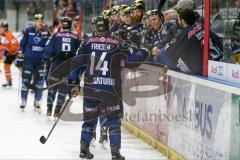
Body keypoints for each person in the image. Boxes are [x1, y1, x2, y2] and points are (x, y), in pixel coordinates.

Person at [69, 16, 149, 160]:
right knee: (113, 121)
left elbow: (76, 63)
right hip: (111, 89)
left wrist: (74, 82)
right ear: (108, 26)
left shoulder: (86, 42)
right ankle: (115, 152)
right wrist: (144, 51)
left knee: (89, 120)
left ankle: (83, 149)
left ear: (95, 28)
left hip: (91, 88)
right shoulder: (118, 42)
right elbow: (131, 62)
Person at [44, 16, 81, 118]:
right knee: (63, 89)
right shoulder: (76, 37)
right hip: (68, 66)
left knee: (52, 87)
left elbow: (48, 51)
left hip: (56, 65)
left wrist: (47, 58)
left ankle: (49, 108)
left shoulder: (55, 36)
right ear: (70, 24)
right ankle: (57, 110)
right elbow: (80, 52)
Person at [153, 9, 204, 74]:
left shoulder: (184, 33)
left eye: (179, 19)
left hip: (193, 67)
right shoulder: (202, 27)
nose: (178, 22)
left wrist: (165, 48)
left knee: (160, 55)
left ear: (182, 21)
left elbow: (173, 52)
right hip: (204, 63)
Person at [18, 13, 50, 112]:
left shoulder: (46, 32)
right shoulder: (28, 31)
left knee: (40, 82)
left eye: (41, 21)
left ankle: (37, 101)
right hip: (28, 59)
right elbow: (22, 44)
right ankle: (23, 100)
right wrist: (20, 54)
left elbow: (48, 47)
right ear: (35, 21)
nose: (39, 22)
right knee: (25, 80)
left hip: (40, 60)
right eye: (38, 20)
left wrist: (47, 56)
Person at [0, 22, 20, 87]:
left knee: (19, 66)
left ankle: (29, 80)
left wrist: (10, 49)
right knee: (6, 66)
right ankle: (9, 81)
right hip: (9, 53)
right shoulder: (1, 34)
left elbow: (16, 45)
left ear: (6, 28)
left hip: (14, 53)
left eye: (2, 27)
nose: (1, 28)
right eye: (1, 27)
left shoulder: (9, 35)